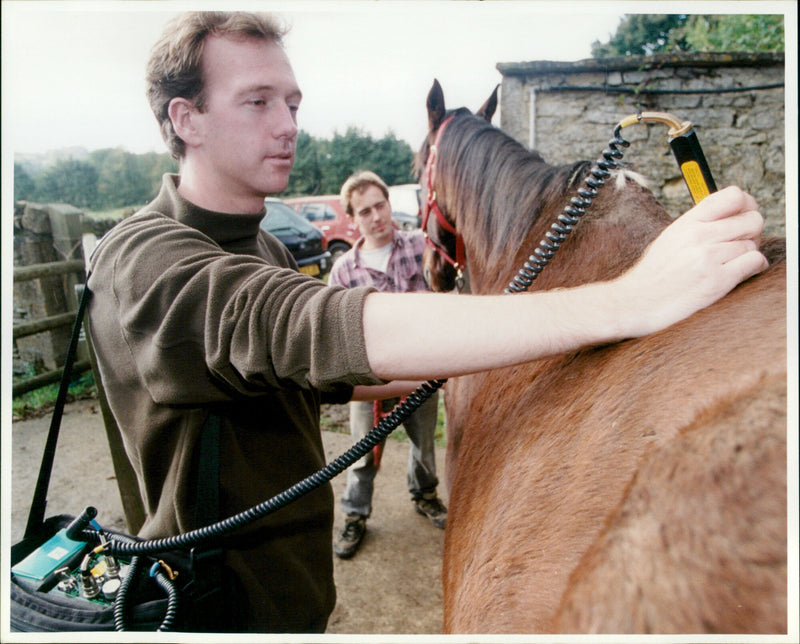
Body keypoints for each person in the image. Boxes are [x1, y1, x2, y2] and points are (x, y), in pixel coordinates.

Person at [85, 11, 768, 634]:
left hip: (292, 593)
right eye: (258, 101)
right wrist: (630, 297)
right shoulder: (141, 258)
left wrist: (525, 364)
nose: (289, 124)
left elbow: (317, 376)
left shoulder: (260, 244)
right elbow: (312, 327)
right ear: (188, 118)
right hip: (205, 609)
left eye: (292, 102)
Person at [329, 171, 447, 560]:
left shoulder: (421, 246)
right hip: (372, 381)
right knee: (361, 453)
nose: (376, 216)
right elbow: (336, 333)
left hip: (420, 376)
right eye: (365, 211)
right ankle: (355, 514)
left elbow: (444, 297)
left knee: (423, 446)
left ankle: (425, 495)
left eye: (380, 205)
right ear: (352, 219)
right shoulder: (344, 271)